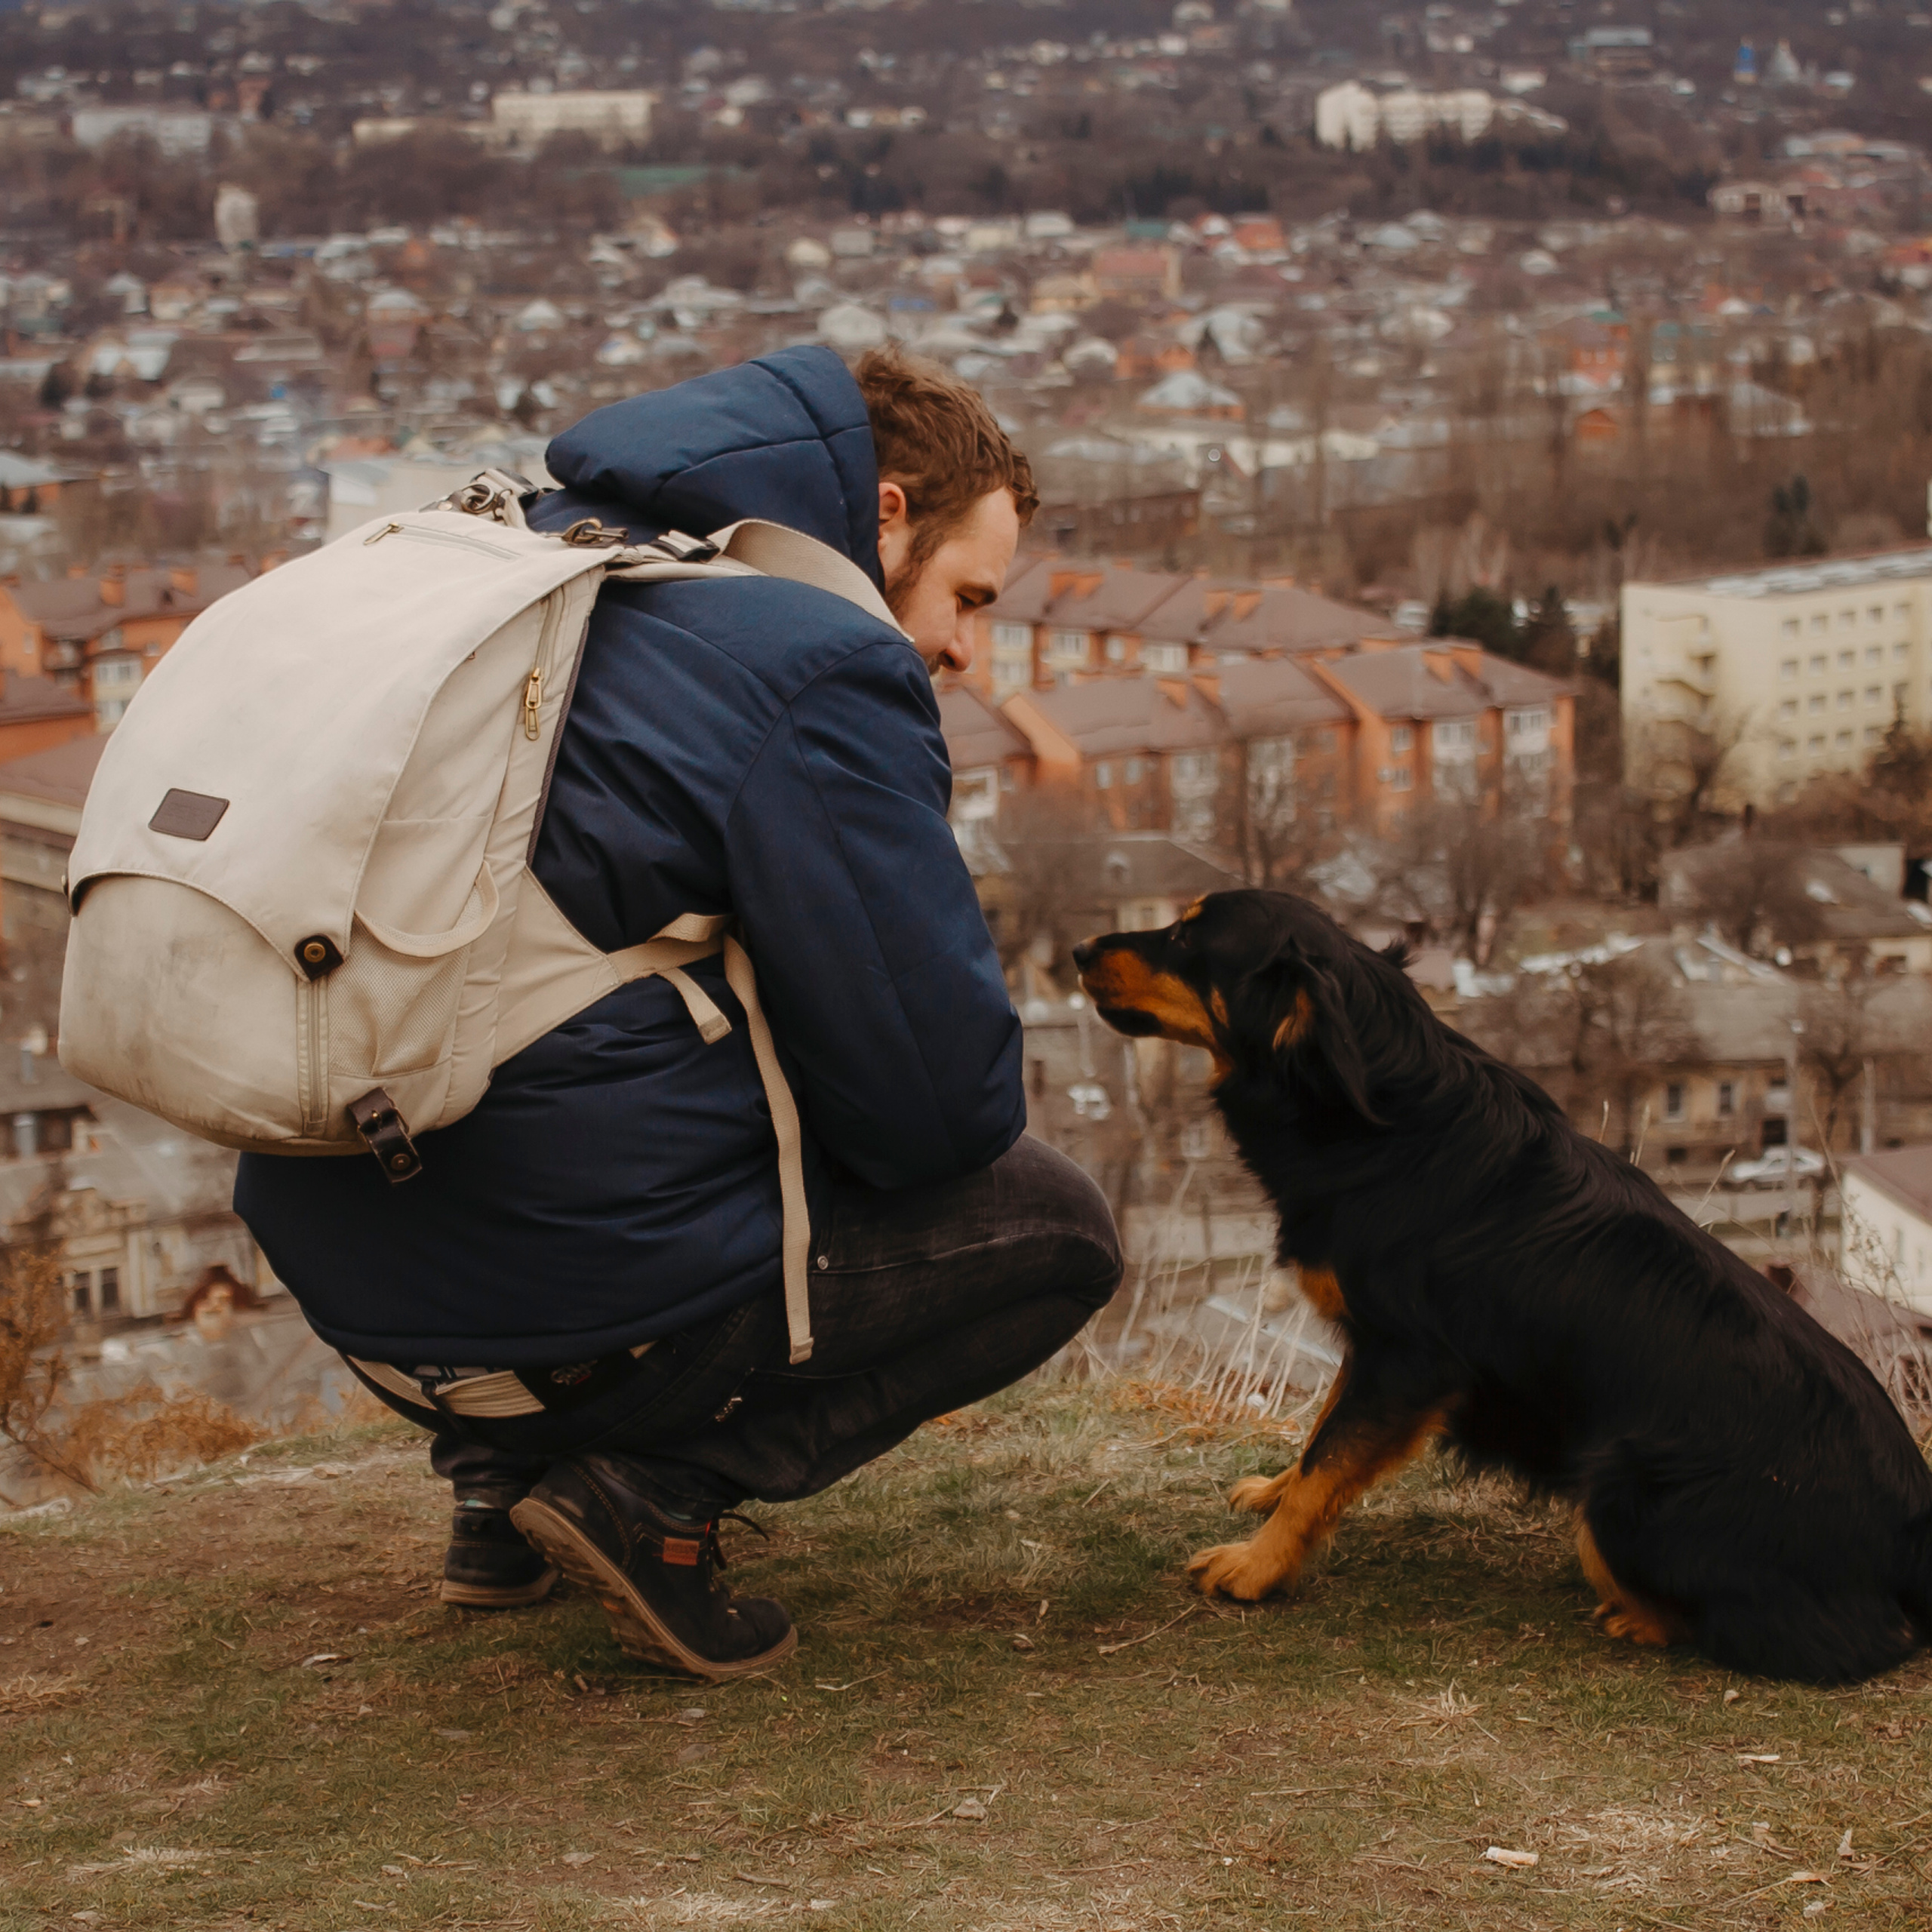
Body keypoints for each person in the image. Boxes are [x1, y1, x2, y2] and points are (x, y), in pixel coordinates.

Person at [234, 343, 1122, 1681]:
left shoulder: (505, 571)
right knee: (1059, 1228)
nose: (962, 650)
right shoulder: (808, 661)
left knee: (596, 1027)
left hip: (363, 1300)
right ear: (885, 514)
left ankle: (494, 1485)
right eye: (965, 596)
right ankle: (658, 1491)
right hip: (575, 1325)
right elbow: (942, 1113)